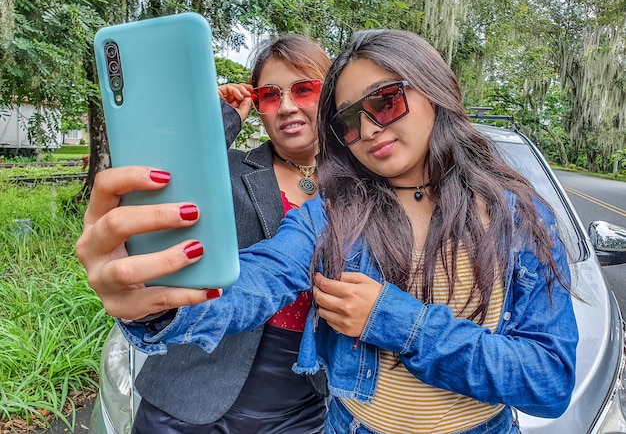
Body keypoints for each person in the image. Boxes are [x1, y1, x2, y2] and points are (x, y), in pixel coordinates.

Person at [79, 29, 579, 434]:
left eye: (384, 102)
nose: (370, 129)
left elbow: (548, 381)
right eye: (348, 121)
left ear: (435, 91)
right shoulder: (335, 212)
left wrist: (393, 320)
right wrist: (160, 299)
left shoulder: (514, 215)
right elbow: (264, 273)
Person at [80, 34, 332, 433]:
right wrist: (220, 117)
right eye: (269, 95)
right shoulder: (227, 170)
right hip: (189, 389)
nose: (286, 107)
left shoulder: (358, 188)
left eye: (304, 90)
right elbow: (163, 180)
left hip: (299, 400)